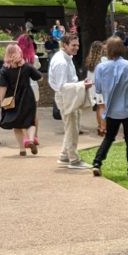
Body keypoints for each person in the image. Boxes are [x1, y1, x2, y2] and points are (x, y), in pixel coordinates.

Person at [91, 37, 128, 179]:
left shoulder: (101, 67)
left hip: (112, 110)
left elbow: (99, 88)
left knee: (109, 137)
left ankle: (97, 162)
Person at [49, 33, 92, 169]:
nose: (76, 48)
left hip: (68, 95)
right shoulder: (61, 62)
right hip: (65, 97)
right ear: (65, 45)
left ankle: (64, 155)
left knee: (71, 127)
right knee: (72, 128)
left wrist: (80, 84)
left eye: (77, 45)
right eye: (73, 45)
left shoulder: (66, 58)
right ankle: (74, 160)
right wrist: (81, 85)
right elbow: (62, 87)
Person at [0, 44, 42, 155]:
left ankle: (22, 149)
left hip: (12, 98)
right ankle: (31, 140)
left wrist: (2, 100)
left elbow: (3, 87)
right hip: (28, 96)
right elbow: (39, 77)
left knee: (16, 124)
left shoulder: (4, 69)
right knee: (30, 121)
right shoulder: (26, 66)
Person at [16, 33, 41, 147]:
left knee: (22, 112)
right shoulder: (34, 58)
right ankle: (34, 136)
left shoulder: (17, 58)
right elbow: (38, 68)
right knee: (34, 112)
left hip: (21, 88)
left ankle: (26, 138)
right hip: (34, 87)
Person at [85, 41, 107, 136]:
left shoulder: (90, 61)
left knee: (99, 107)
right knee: (103, 107)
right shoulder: (103, 60)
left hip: (93, 87)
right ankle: (103, 128)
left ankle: (99, 125)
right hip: (101, 87)